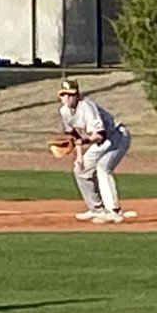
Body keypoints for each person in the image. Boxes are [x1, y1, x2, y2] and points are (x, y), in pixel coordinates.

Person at [57, 77, 135, 224]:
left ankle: (114, 211)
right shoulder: (65, 111)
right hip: (101, 142)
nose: (67, 98)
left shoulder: (87, 107)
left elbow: (101, 136)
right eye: (64, 94)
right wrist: (79, 157)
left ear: (77, 95)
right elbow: (75, 136)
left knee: (103, 167)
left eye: (71, 94)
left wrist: (83, 141)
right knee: (81, 169)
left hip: (117, 136)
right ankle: (97, 209)